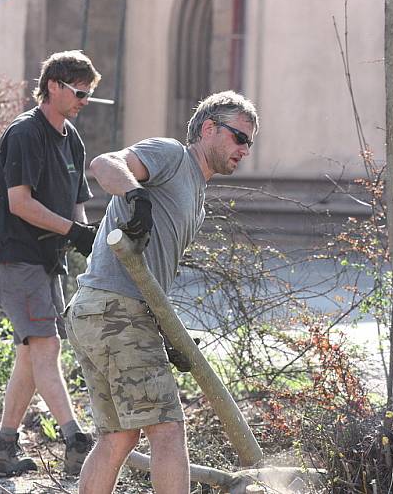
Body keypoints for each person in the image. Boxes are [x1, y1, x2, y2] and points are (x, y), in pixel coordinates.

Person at [66, 91, 258, 494]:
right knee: (167, 430)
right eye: (240, 137)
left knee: (117, 436)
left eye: (250, 143)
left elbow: (151, 275)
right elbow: (104, 164)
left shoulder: (197, 197)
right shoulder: (172, 155)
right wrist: (135, 196)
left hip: (95, 311)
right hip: (116, 311)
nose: (245, 149)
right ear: (209, 128)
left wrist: (168, 334)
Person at [0, 50, 101, 477]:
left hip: (47, 261)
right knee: (46, 348)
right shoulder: (25, 134)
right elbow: (19, 203)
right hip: (15, 257)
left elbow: (78, 206)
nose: (85, 99)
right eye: (79, 91)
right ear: (53, 85)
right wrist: (74, 232)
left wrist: (91, 242)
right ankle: (76, 441)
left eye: (90, 92)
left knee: (30, 356)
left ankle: (3, 448)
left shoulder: (73, 139)